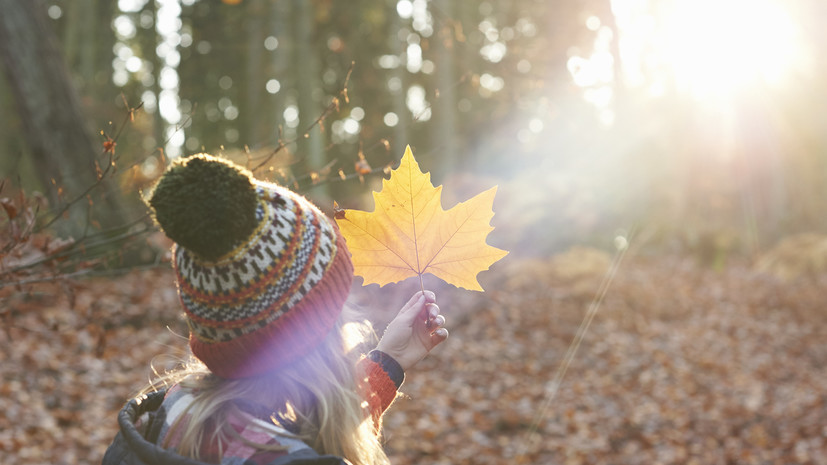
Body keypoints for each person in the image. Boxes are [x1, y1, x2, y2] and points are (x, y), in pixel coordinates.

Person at [102, 154, 448, 465]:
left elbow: (290, 437)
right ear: (313, 333)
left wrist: (389, 361)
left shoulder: (168, 416)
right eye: (336, 303)